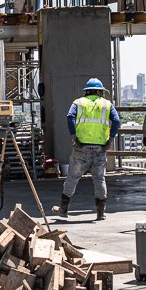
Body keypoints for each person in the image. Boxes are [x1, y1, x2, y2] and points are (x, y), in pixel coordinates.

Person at [54, 77, 121, 220]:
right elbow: (116, 120)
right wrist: (111, 139)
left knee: (72, 178)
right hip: (100, 149)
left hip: (81, 147)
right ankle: (100, 213)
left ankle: (63, 209)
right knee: (99, 179)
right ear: (99, 91)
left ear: (87, 91)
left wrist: (74, 136)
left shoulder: (78, 103)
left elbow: (69, 116)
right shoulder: (107, 104)